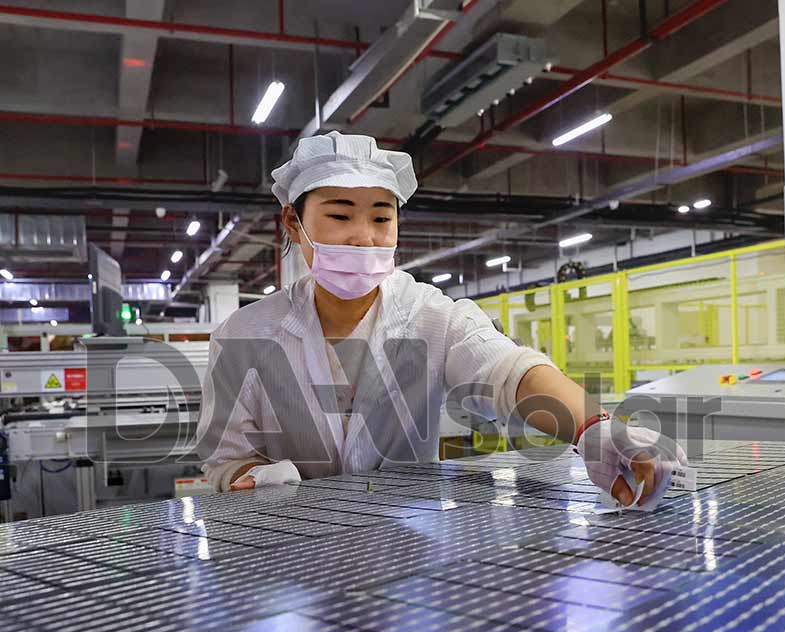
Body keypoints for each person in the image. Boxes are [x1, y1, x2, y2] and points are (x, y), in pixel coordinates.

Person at [196, 131, 684, 505]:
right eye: (341, 216)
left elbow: (506, 370)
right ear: (292, 222)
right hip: (286, 547)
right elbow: (227, 456)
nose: (364, 237)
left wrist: (591, 427)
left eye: (382, 218)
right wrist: (255, 478)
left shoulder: (428, 315)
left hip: (405, 550)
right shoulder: (245, 335)